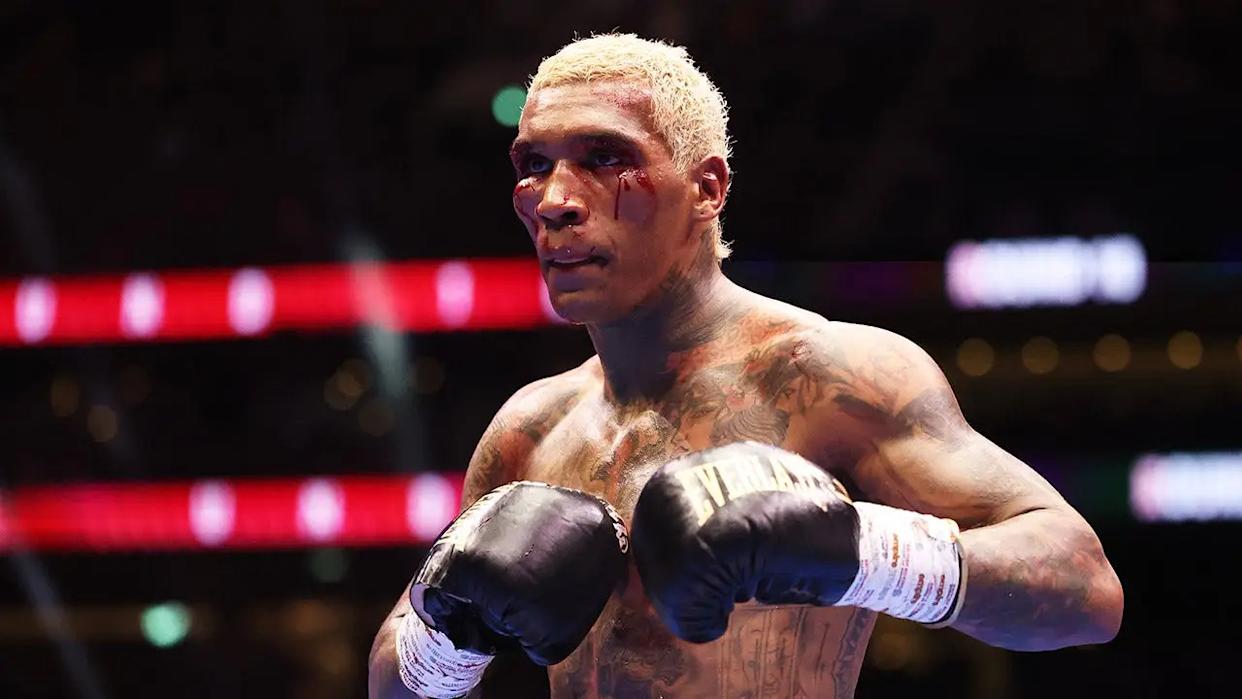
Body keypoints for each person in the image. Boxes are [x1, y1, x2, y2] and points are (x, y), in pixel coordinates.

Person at [369, 33, 1123, 698]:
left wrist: (857, 551)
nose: (557, 199)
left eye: (605, 157)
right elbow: (391, 682)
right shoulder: (529, 433)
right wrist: (444, 642)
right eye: (535, 163)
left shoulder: (829, 376)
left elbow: (1084, 586)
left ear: (708, 189)